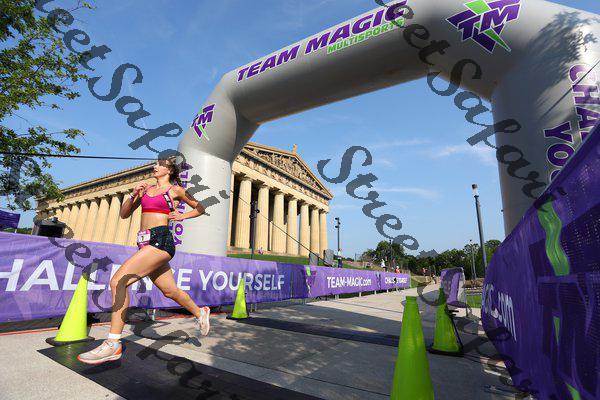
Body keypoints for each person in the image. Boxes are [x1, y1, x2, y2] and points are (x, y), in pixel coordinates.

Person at [78, 157, 209, 365]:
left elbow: (200, 207)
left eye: (160, 164)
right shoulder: (146, 190)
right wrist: (133, 195)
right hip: (144, 242)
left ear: (169, 170)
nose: (155, 166)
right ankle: (200, 311)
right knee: (170, 291)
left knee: (118, 282)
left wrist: (183, 216)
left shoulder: (176, 190)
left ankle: (113, 343)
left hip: (160, 241)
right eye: (155, 164)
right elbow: (124, 214)